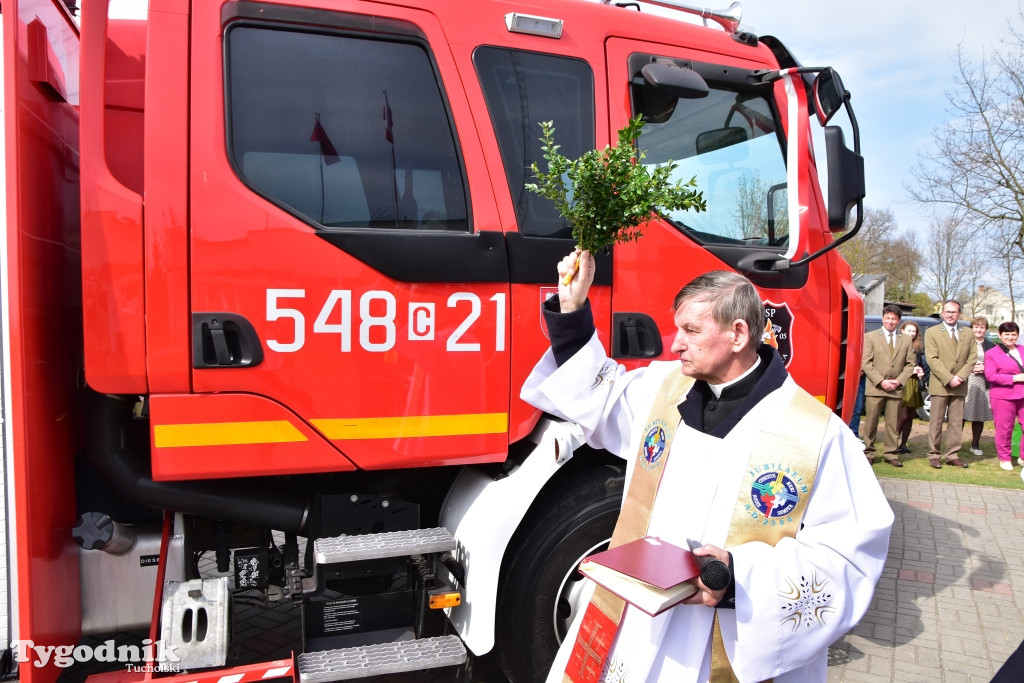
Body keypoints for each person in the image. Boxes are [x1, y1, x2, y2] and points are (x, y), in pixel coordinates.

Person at [521, 250, 893, 683]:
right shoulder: (664, 390)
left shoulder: (816, 435)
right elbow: (596, 394)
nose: (675, 342)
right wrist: (573, 309)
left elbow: (847, 558)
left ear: (738, 334)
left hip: (730, 641)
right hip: (636, 628)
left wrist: (736, 577)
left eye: (691, 330)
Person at [861, 305, 916, 466]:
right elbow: (866, 362)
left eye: (894, 319)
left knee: (893, 423)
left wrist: (899, 381)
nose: (890, 321)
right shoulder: (870, 337)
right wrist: (881, 381)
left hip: (896, 388)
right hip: (876, 387)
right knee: (871, 422)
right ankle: (869, 451)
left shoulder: (905, 339)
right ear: (883, 318)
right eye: (888, 318)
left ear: (899, 321)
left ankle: (891, 454)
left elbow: (910, 364)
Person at [924, 300, 974, 468]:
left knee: (956, 421)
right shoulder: (932, 332)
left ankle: (952, 455)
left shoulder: (968, 332)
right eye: (947, 311)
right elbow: (932, 359)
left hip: (960, 384)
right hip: (940, 383)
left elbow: (972, 358)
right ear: (942, 313)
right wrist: (948, 378)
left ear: (959, 313)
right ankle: (934, 454)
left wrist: (959, 377)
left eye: (953, 312)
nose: (950, 314)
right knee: (936, 421)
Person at [983, 321, 1024, 472]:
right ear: (1000, 335)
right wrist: (1015, 378)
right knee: (1004, 429)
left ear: (1017, 335)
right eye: (1006, 334)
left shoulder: (1023, 349)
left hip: (1023, 394)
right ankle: (1005, 458)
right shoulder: (991, 353)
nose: (1010, 337)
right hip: (1003, 396)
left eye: (1013, 334)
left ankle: (1022, 457)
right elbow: (991, 376)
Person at [963, 316, 995, 456]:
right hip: (965, 381)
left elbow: (996, 365)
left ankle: (975, 444)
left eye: (982, 327)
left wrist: (985, 368)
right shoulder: (963, 343)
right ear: (971, 328)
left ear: (986, 329)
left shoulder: (991, 346)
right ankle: (954, 444)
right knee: (960, 414)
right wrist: (970, 368)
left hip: (983, 383)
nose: (979, 329)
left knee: (978, 415)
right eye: (976, 327)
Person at [895, 320, 928, 453]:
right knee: (902, 416)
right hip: (901, 383)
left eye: (913, 331)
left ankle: (903, 444)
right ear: (902, 330)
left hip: (913, 383)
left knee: (909, 416)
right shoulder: (896, 344)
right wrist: (910, 370)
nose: (911, 333)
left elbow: (920, 363)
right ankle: (893, 442)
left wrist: (920, 371)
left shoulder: (917, 348)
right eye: (909, 330)